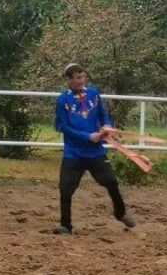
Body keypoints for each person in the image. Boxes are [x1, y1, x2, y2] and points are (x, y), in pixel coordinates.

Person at [53, 63, 135, 234]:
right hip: (73, 152)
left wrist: (107, 125)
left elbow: (102, 114)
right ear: (69, 80)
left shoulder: (94, 94)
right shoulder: (62, 100)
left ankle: (120, 213)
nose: (81, 81)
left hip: (95, 151)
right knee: (65, 188)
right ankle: (65, 225)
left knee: (111, 181)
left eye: (83, 77)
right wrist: (86, 136)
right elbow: (63, 127)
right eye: (77, 78)